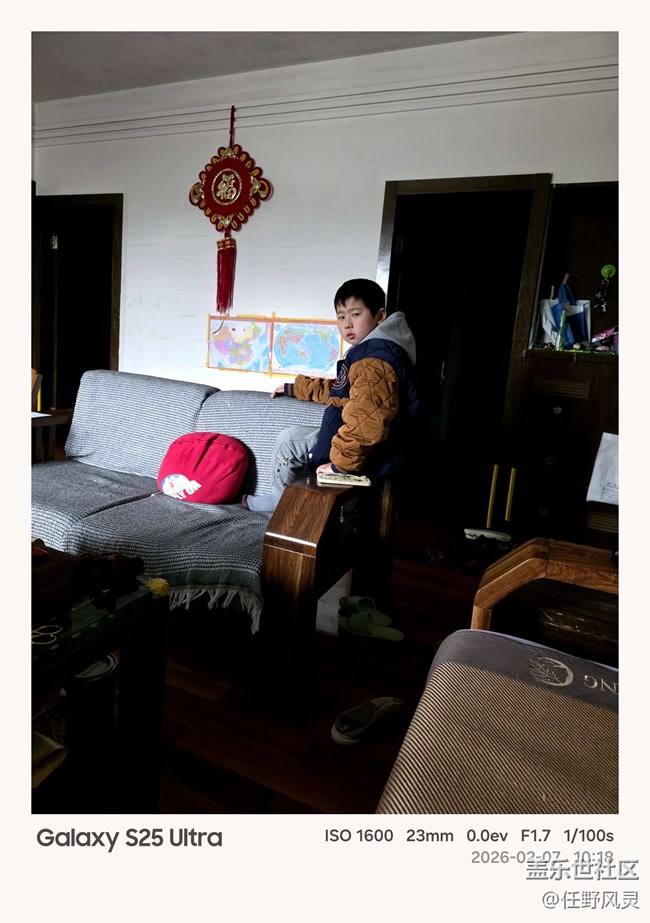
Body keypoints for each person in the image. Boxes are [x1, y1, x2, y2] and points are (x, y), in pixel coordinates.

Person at [243, 278, 420, 511]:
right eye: (341, 317)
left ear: (380, 316)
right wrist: (294, 388)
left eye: (356, 314)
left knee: (288, 441)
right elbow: (341, 390)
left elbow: (367, 420)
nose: (347, 324)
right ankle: (287, 499)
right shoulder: (376, 352)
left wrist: (340, 467)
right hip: (372, 445)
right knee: (291, 440)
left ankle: (280, 501)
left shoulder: (374, 360)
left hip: (373, 452)